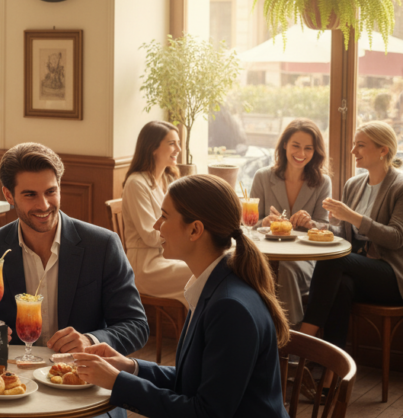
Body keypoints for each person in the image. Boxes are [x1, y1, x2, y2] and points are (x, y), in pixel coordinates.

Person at [72, 175, 290, 418]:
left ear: (195, 230)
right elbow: (193, 382)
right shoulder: (212, 285)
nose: (157, 225)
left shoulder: (230, 307)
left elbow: (205, 413)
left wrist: (118, 382)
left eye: (164, 216)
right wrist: (128, 367)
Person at [0, 143, 148, 360]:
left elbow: (136, 326)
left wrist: (89, 340)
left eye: (51, 192)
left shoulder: (102, 245)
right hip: (11, 378)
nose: (44, 205)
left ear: (59, 186)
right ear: (9, 196)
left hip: (78, 377)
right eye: (30, 195)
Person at [301, 121, 403, 352]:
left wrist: (353, 216)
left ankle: (304, 337)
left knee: (335, 258)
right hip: (359, 271)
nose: (353, 151)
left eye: (360, 145)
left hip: (392, 276)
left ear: (383, 150)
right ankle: (332, 373)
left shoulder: (400, 186)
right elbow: (345, 235)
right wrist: (316, 226)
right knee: (342, 286)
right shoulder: (354, 184)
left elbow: (396, 238)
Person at [249, 119, 331, 326]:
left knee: (284, 269)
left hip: (304, 259)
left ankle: (290, 340)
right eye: (296, 145)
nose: (301, 153)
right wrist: (264, 222)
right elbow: (249, 224)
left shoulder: (322, 182)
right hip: (266, 255)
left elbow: (324, 226)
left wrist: (310, 223)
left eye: (308, 148)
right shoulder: (263, 177)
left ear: (315, 151)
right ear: (285, 144)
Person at [122, 121, 191, 305]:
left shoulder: (169, 180)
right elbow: (149, 236)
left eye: (178, 143)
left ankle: (202, 327)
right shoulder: (136, 183)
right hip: (146, 267)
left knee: (212, 264)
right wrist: (184, 234)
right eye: (172, 143)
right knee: (202, 270)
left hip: (169, 257)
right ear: (153, 148)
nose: (178, 149)